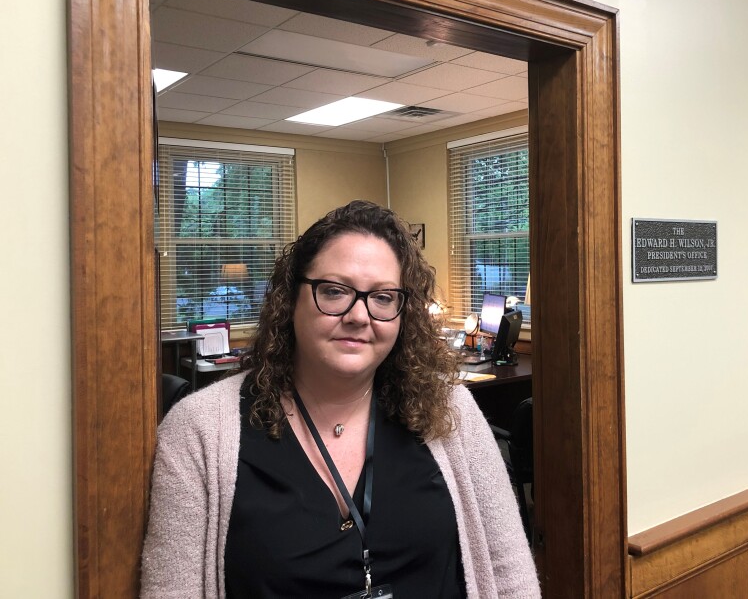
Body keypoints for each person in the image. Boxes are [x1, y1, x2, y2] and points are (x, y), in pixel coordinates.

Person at [141, 200, 540, 598]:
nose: (359, 315)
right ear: (290, 298)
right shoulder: (199, 430)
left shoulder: (451, 411)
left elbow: (511, 575)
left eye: (383, 297)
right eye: (334, 291)